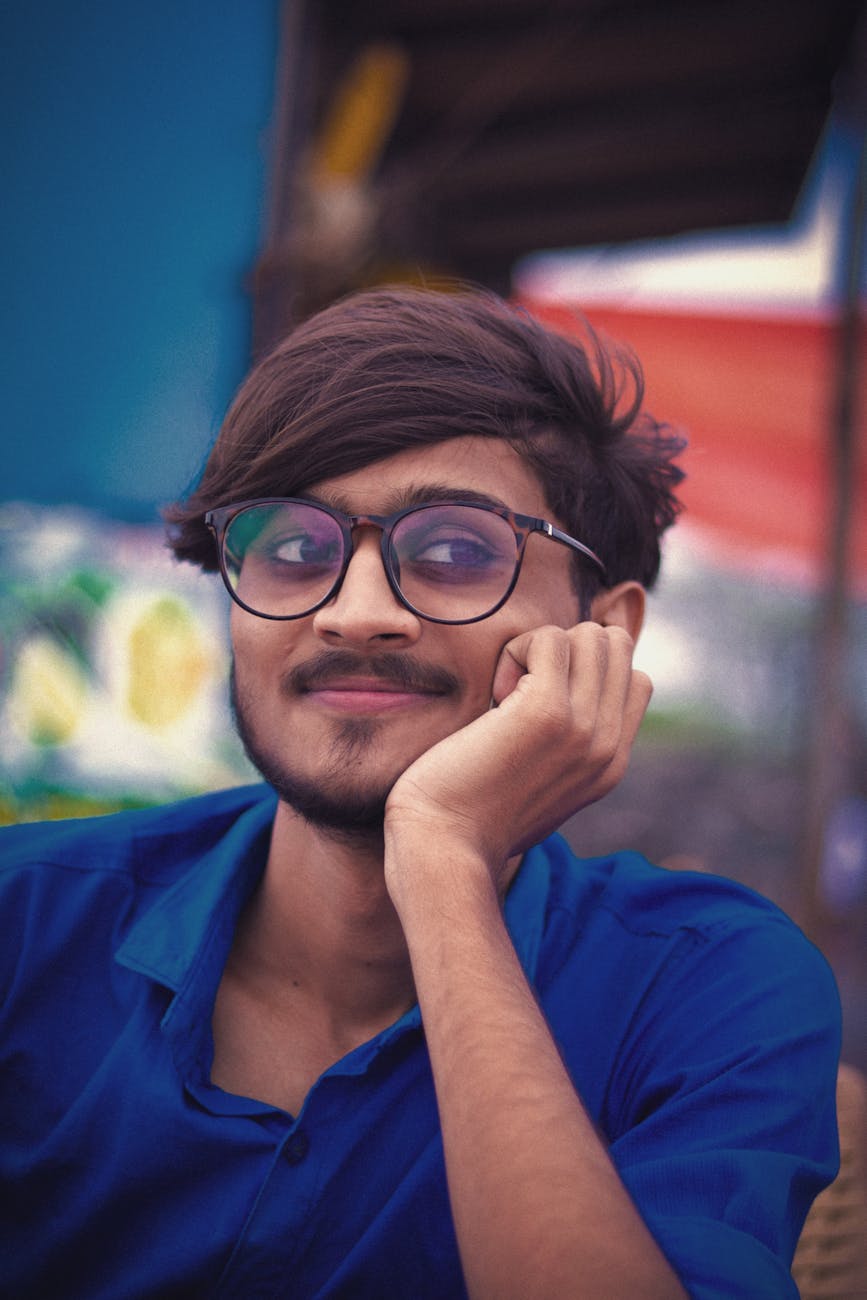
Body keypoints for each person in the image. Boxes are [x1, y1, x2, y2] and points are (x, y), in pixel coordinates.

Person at [0, 287, 840, 1299]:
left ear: (603, 631)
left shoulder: (714, 986)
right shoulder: (26, 919)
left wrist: (442, 858)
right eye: (294, 548)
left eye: (453, 551)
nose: (356, 613)